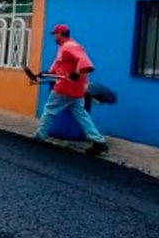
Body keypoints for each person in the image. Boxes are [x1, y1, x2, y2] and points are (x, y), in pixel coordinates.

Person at [34, 24, 109, 156]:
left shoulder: (70, 46)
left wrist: (77, 72)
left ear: (60, 34)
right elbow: (59, 64)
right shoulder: (64, 47)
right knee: (82, 114)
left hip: (66, 87)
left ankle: (40, 136)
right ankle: (99, 141)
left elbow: (86, 63)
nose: (54, 37)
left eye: (55, 34)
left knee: (49, 110)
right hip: (77, 89)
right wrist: (47, 73)